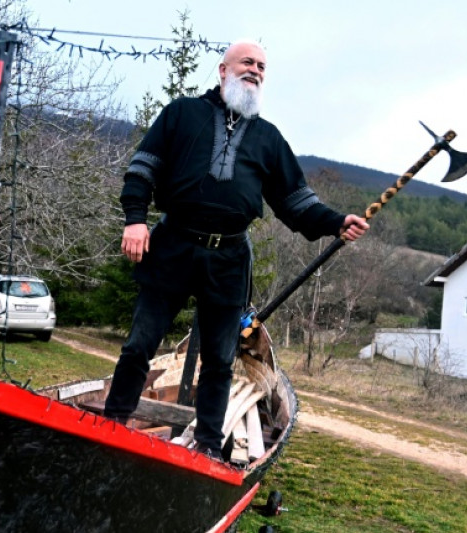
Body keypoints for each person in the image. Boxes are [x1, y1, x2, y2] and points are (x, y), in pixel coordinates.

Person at [103, 40, 368, 461]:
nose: (255, 70)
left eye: (262, 66)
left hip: (228, 259)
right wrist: (135, 219)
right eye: (247, 62)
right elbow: (143, 168)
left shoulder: (268, 138)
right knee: (140, 344)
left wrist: (337, 222)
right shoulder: (182, 113)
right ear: (223, 70)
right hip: (173, 245)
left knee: (220, 360)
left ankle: (207, 447)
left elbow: (297, 203)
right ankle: (111, 425)